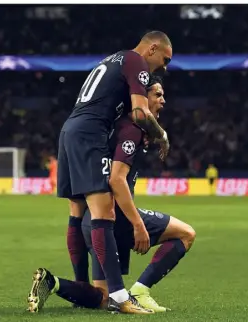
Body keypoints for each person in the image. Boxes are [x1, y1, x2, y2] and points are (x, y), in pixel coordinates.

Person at [27, 77, 196, 313]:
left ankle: (52, 282)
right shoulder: (131, 129)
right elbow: (116, 180)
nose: (163, 101)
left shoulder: (114, 127)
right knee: (186, 234)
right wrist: (138, 224)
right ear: (140, 97)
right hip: (115, 219)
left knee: (103, 298)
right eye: (157, 94)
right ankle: (140, 290)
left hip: (92, 223)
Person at [36, 31, 173, 314]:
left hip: (70, 130)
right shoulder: (136, 62)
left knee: (76, 213)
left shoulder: (113, 59)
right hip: (90, 134)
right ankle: (121, 298)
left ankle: (79, 288)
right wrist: (161, 134)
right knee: (104, 213)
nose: (164, 67)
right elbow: (138, 112)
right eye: (164, 59)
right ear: (153, 48)